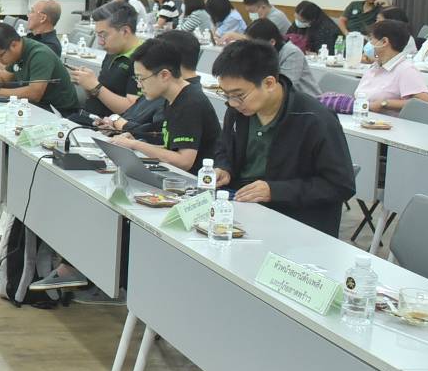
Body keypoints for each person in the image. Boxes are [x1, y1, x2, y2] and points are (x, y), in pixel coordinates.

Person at [211, 40, 354, 236]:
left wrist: (274, 191)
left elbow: (340, 185)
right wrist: (224, 167)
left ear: (269, 83)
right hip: (241, 208)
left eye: (238, 95)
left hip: (295, 222)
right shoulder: (239, 110)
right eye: (226, 95)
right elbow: (223, 148)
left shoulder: (315, 119)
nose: (232, 103)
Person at [111, 37, 220, 174]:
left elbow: (184, 161)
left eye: (141, 78)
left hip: (196, 180)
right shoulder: (172, 98)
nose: (139, 85)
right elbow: (171, 149)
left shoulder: (190, 103)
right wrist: (138, 144)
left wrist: (135, 144)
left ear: (164, 75)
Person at [107, 30, 202, 139]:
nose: (139, 85)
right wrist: (113, 123)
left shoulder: (179, 96)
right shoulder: (156, 84)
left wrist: (120, 123)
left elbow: (157, 137)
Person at [0, 23, 80, 115]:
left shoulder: (40, 55)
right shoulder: (17, 52)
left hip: (60, 112)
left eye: (0, 55)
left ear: (13, 45)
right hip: (36, 107)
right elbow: (4, 78)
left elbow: (34, 94)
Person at [70, 1, 140, 118]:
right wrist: (87, 84)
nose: (100, 42)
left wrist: (95, 86)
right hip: (89, 116)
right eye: (98, 36)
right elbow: (102, 94)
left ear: (125, 31)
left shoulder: (142, 59)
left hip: (109, 125)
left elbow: (132, 109)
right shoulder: (113, 50)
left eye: (103, 35)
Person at [355, 20, 428, 114]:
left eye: (371, 39)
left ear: (384, 42)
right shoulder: (376, 66)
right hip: (362, 116)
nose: (369, 43)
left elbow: (424, 102)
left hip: (386, 121)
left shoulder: (406, 69)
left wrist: (385, 103)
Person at [243, 19, 320, 98]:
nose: (250, 49)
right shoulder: (262, 54)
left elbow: (286, 86)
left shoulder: (292, 53)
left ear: (272, 42)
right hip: (281, 98)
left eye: (254, 45)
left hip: (306, 99)